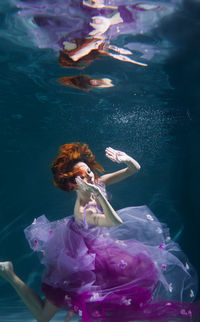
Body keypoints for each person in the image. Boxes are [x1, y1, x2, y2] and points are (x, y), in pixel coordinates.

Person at [1, 142, 200, 321]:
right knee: (43, 317)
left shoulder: (98, 183)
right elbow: (114, 220)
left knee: (121, 294)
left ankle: (75, 308)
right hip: (74, 262)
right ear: (72, 183)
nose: (89, 177)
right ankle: (9, 273)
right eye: (83, 176)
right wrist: (98, 195)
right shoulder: (81, 211)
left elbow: (133, 169)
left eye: (89, 171)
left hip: (101, 252)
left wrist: (126, 159)